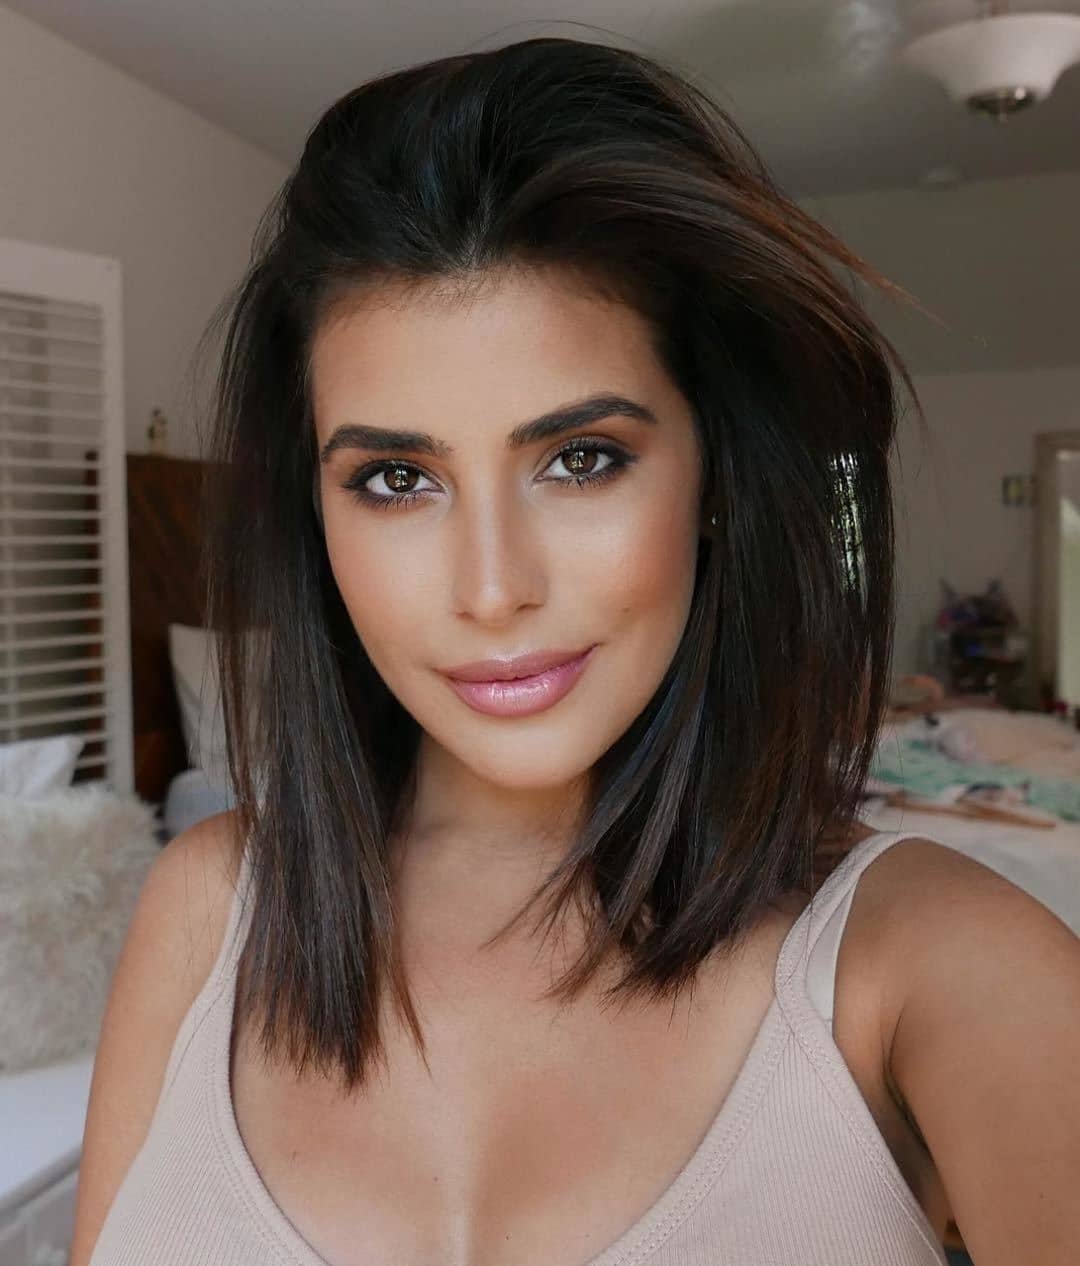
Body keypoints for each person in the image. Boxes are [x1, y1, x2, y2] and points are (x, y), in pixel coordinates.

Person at [71, 35, 1079, 1266]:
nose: (493, 590)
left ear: (715, 477)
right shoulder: (208, 907)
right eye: (396, 478)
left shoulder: (944, 966)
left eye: (581, 459)